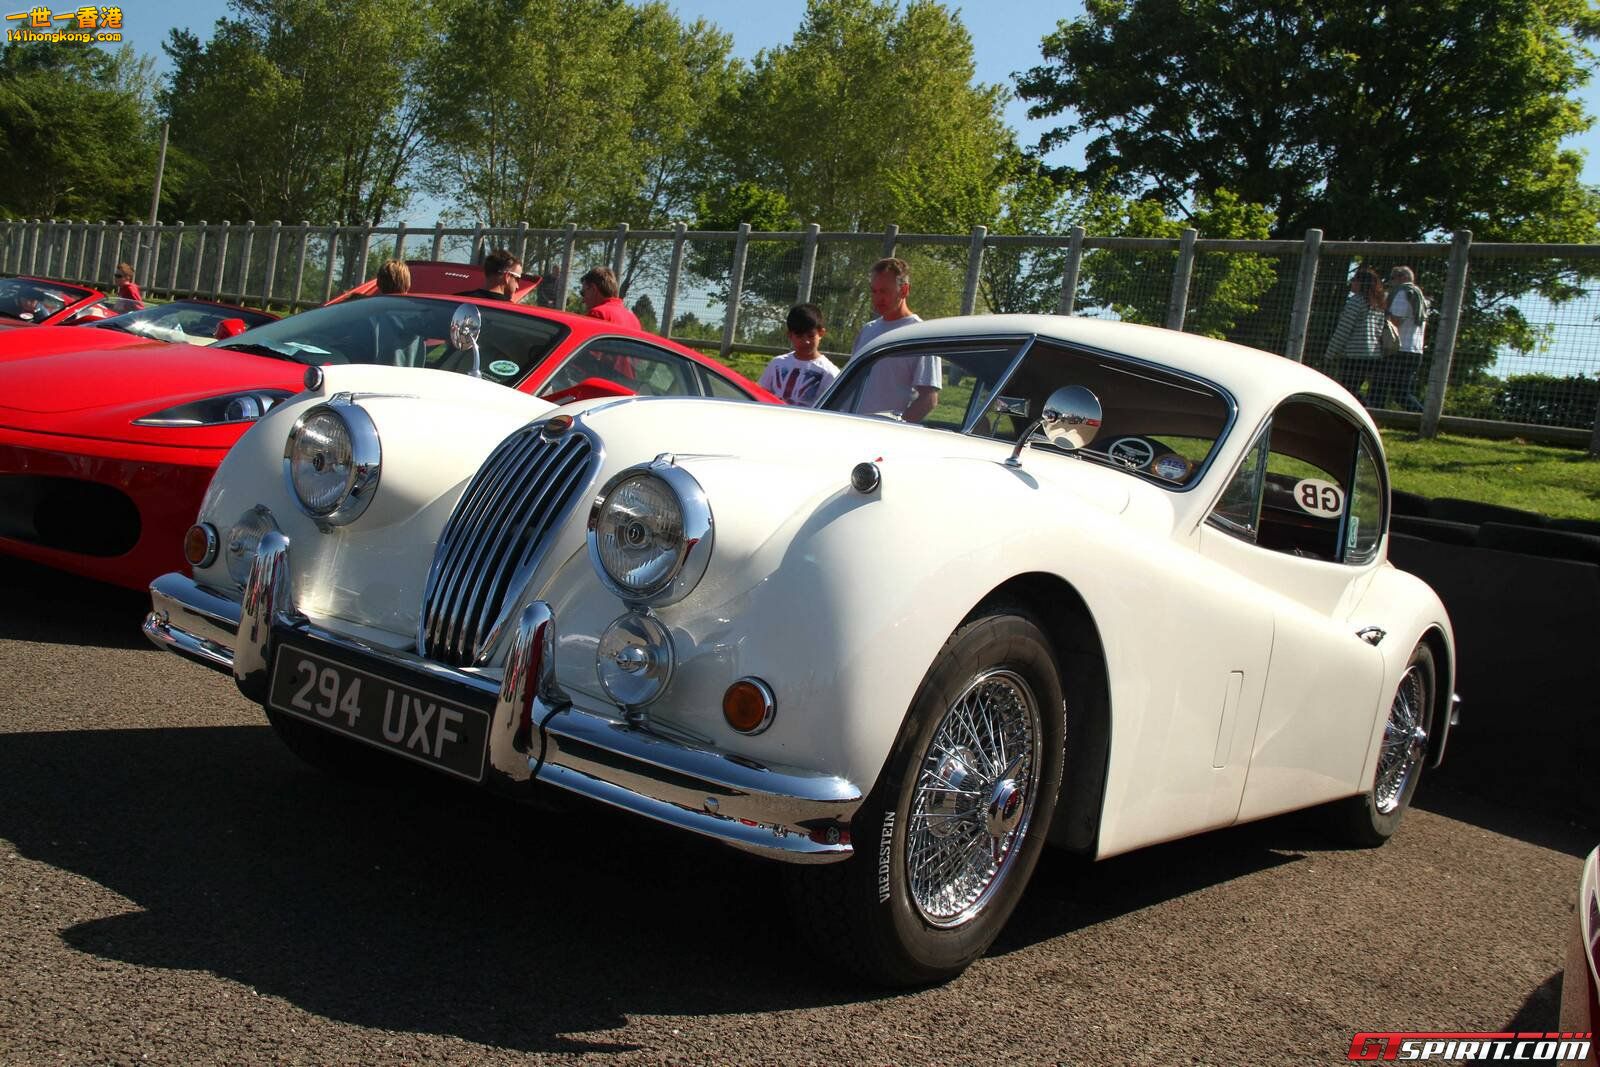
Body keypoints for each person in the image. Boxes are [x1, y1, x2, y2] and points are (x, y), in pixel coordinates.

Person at [850, 257, 939, 422]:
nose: (877, 298)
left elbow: (929, 399)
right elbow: (851, 384)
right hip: (854, 426)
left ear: (904, 290)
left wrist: (896, 428)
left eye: (884, 291)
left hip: (888, 437)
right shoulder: (867, 330)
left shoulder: (922, 334)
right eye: (874, 291)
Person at [1323, 266, 1387, 403]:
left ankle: (1365, 408)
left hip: (1354, 355)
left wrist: (1330, 353)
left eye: (1353, 280)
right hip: (1373, 355)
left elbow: (1343, 330)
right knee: (1353, 389)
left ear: (1360, 283)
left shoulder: (1355, 302)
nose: (1351, 282)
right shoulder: (1378, 305)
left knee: (1347, 392)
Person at [759, 303, 840, 407]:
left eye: (811, 336)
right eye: (799, 336)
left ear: (821, 333)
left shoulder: (829, 372)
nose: (806, 341)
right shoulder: (777, 363)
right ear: (789, 335)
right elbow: (760, 394)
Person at [1381, 266, 1428, 412]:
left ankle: (1374, 417)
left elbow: (1395, 321)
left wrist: (1382, 317)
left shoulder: (1402, 293)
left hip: (1399, 349)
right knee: (1401, 393)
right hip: (1415, 350)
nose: (1391, 282)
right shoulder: (1420, 298)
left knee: (1379, 385)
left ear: (1402, 278)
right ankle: (1422, 418)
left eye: (1393, 278)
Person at [457, 249, 521, 300]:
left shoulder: (457, 299)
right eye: (517, 279)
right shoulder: (511, 312)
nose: (517, 286)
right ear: (507, 277)